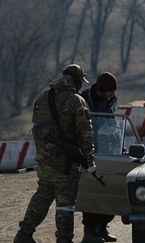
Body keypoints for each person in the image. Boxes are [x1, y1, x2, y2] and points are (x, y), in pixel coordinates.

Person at [14, 64, 96, 243]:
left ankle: (24, 234)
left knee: (43, 195)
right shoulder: (76, 100)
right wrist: (90, 161)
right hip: (65, 164)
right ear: (76, 81)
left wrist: (45, 152)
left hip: (44, 160)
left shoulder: (43, 97)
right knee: (66, 204)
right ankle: (64, 239)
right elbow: (85, 134)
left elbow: (37, 126)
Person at [80, 72, 118, 242]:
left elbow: (114, 120)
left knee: (111, 189)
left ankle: (102, 227)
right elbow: (80, 124)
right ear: (102, 89)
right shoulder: (83, 99)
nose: (113, 94)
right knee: (91, 191)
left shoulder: (112, 100)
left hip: (109, 149)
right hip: (89, 149)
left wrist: (111, 130)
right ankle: (89, 231)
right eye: (111, 91)